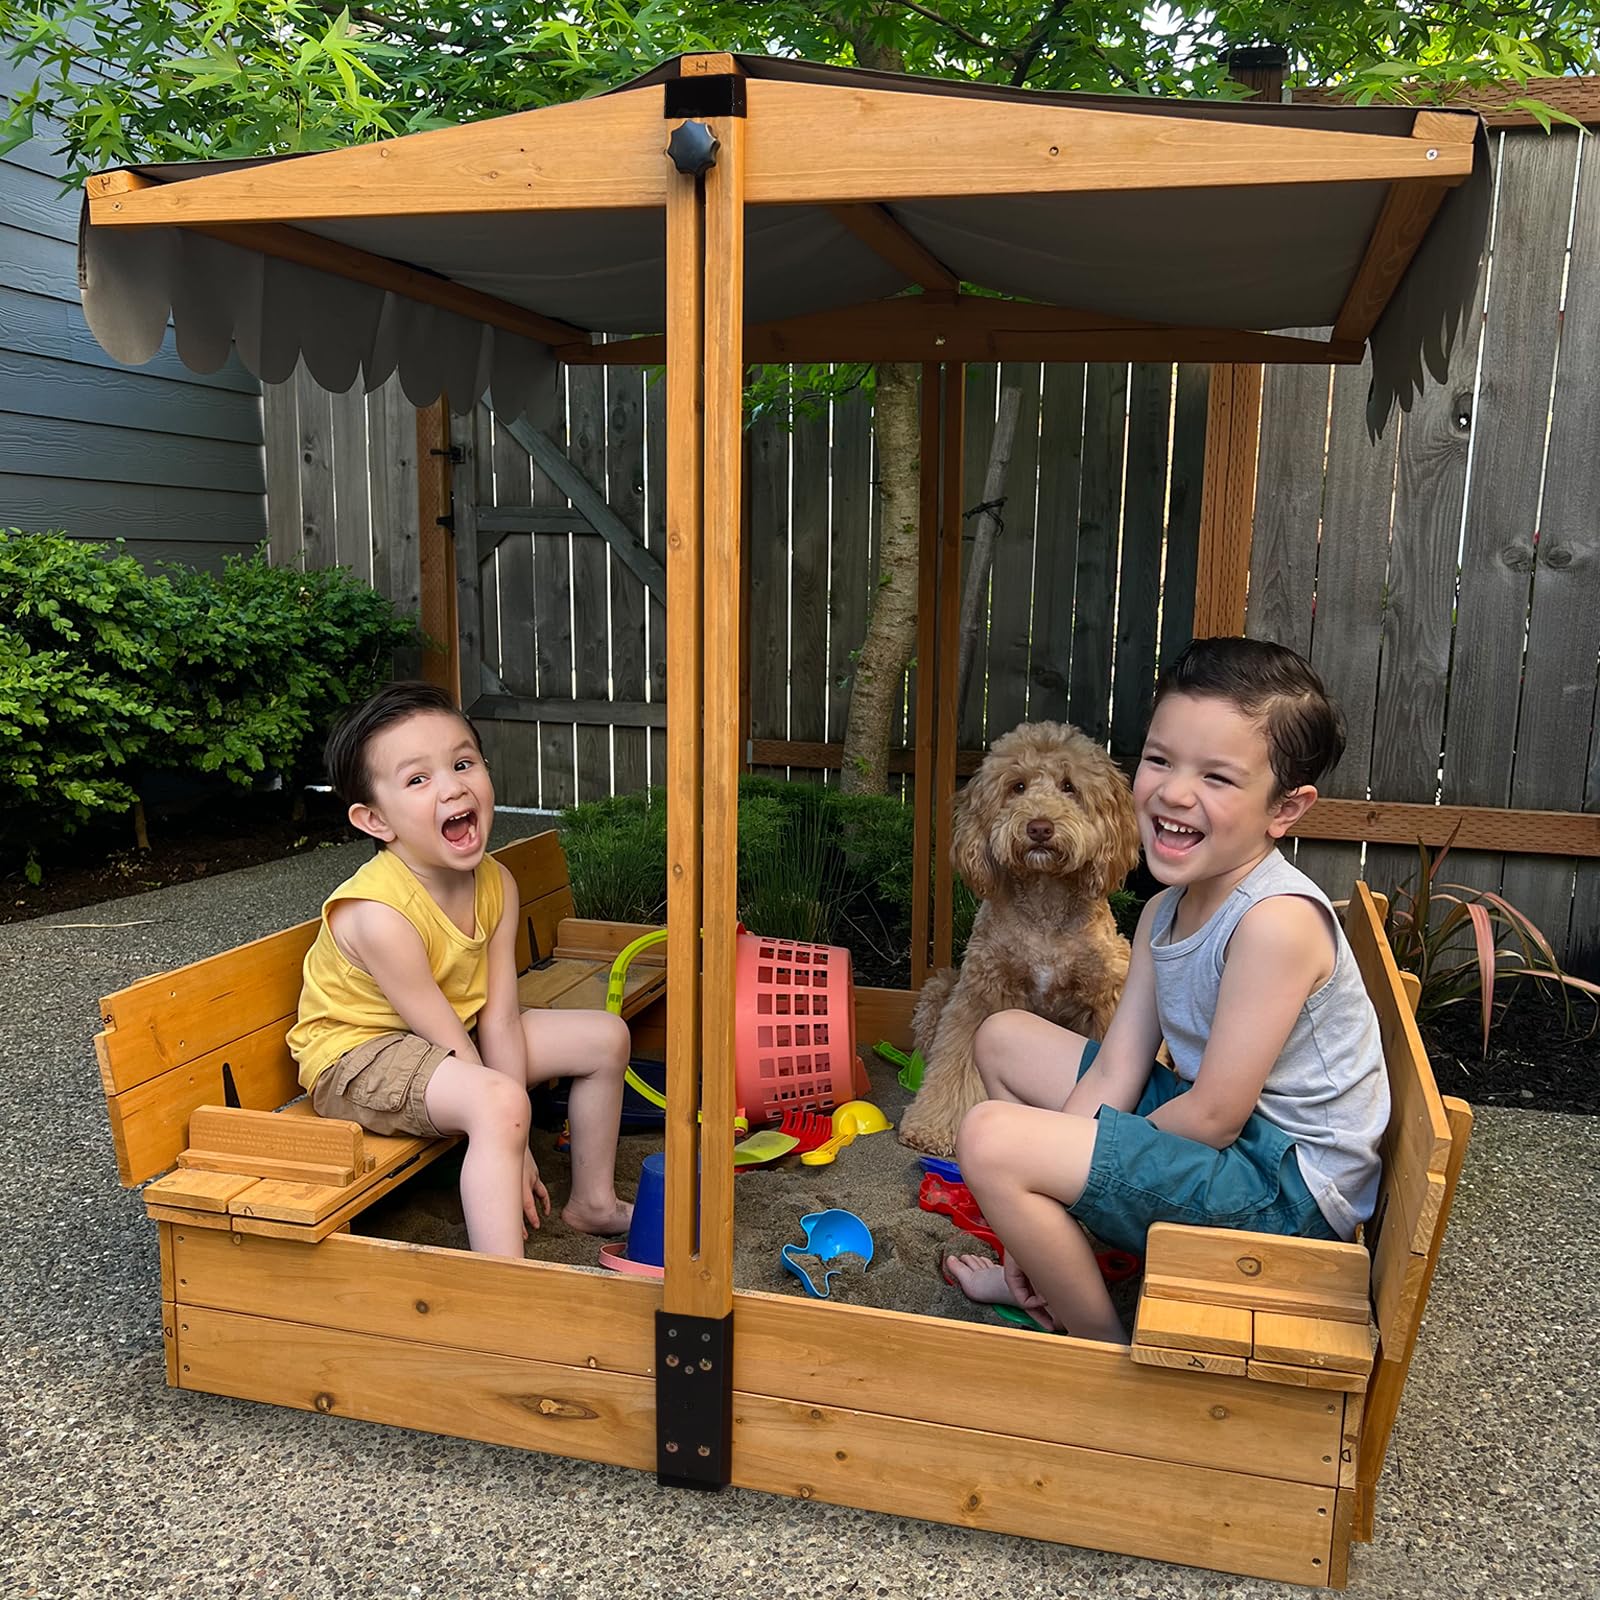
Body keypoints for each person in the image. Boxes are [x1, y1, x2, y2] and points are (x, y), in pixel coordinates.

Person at [945, 638, 1390, 1341]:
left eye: (1217, 777)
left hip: (1285, 1192)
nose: (1175, 792)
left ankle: (1098, 1347)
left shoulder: (1276, 924)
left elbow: (1214, 1115)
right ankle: (1039, 1252)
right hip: (1231, 1143)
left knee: (992, 1140)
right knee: (1002, 1039)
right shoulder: (1165, 909)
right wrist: (1055, 1179)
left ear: (1285, 809)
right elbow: (1121, 1067)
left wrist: (1075, 1175)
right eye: (1160, 760)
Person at [288, 681, 633, 1258]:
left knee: (605, 1037)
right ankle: (505, 1286)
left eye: (463, 762)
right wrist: (514, 1139)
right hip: (358, 1056)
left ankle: (592, 1203)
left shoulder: (496, 881)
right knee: (499, 1105)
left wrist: (515, 1127)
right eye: (418, 779)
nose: (452, 786)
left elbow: (498, 1017)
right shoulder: (379, 914)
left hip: (451, 1035)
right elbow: (448, 1042)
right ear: (375, 820)